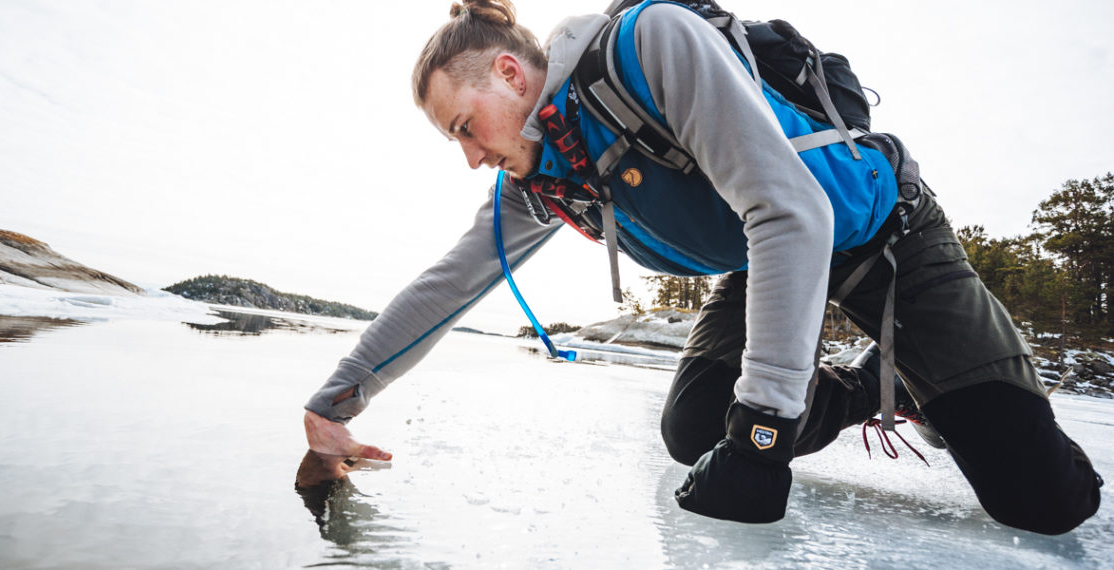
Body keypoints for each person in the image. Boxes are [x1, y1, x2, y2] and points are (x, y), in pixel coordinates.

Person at [304, 0, 1102, 534]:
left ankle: (942, 375)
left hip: (882, 236)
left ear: (510, 76)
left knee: (1044, 504)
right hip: (769, 257)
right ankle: (869, 383)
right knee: (694, 431)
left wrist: (762, 437)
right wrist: (336, 400)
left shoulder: (648, 46)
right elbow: (449, 284)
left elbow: (793, 211)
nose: (473, 157)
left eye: (465, 128)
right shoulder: (543, 180)